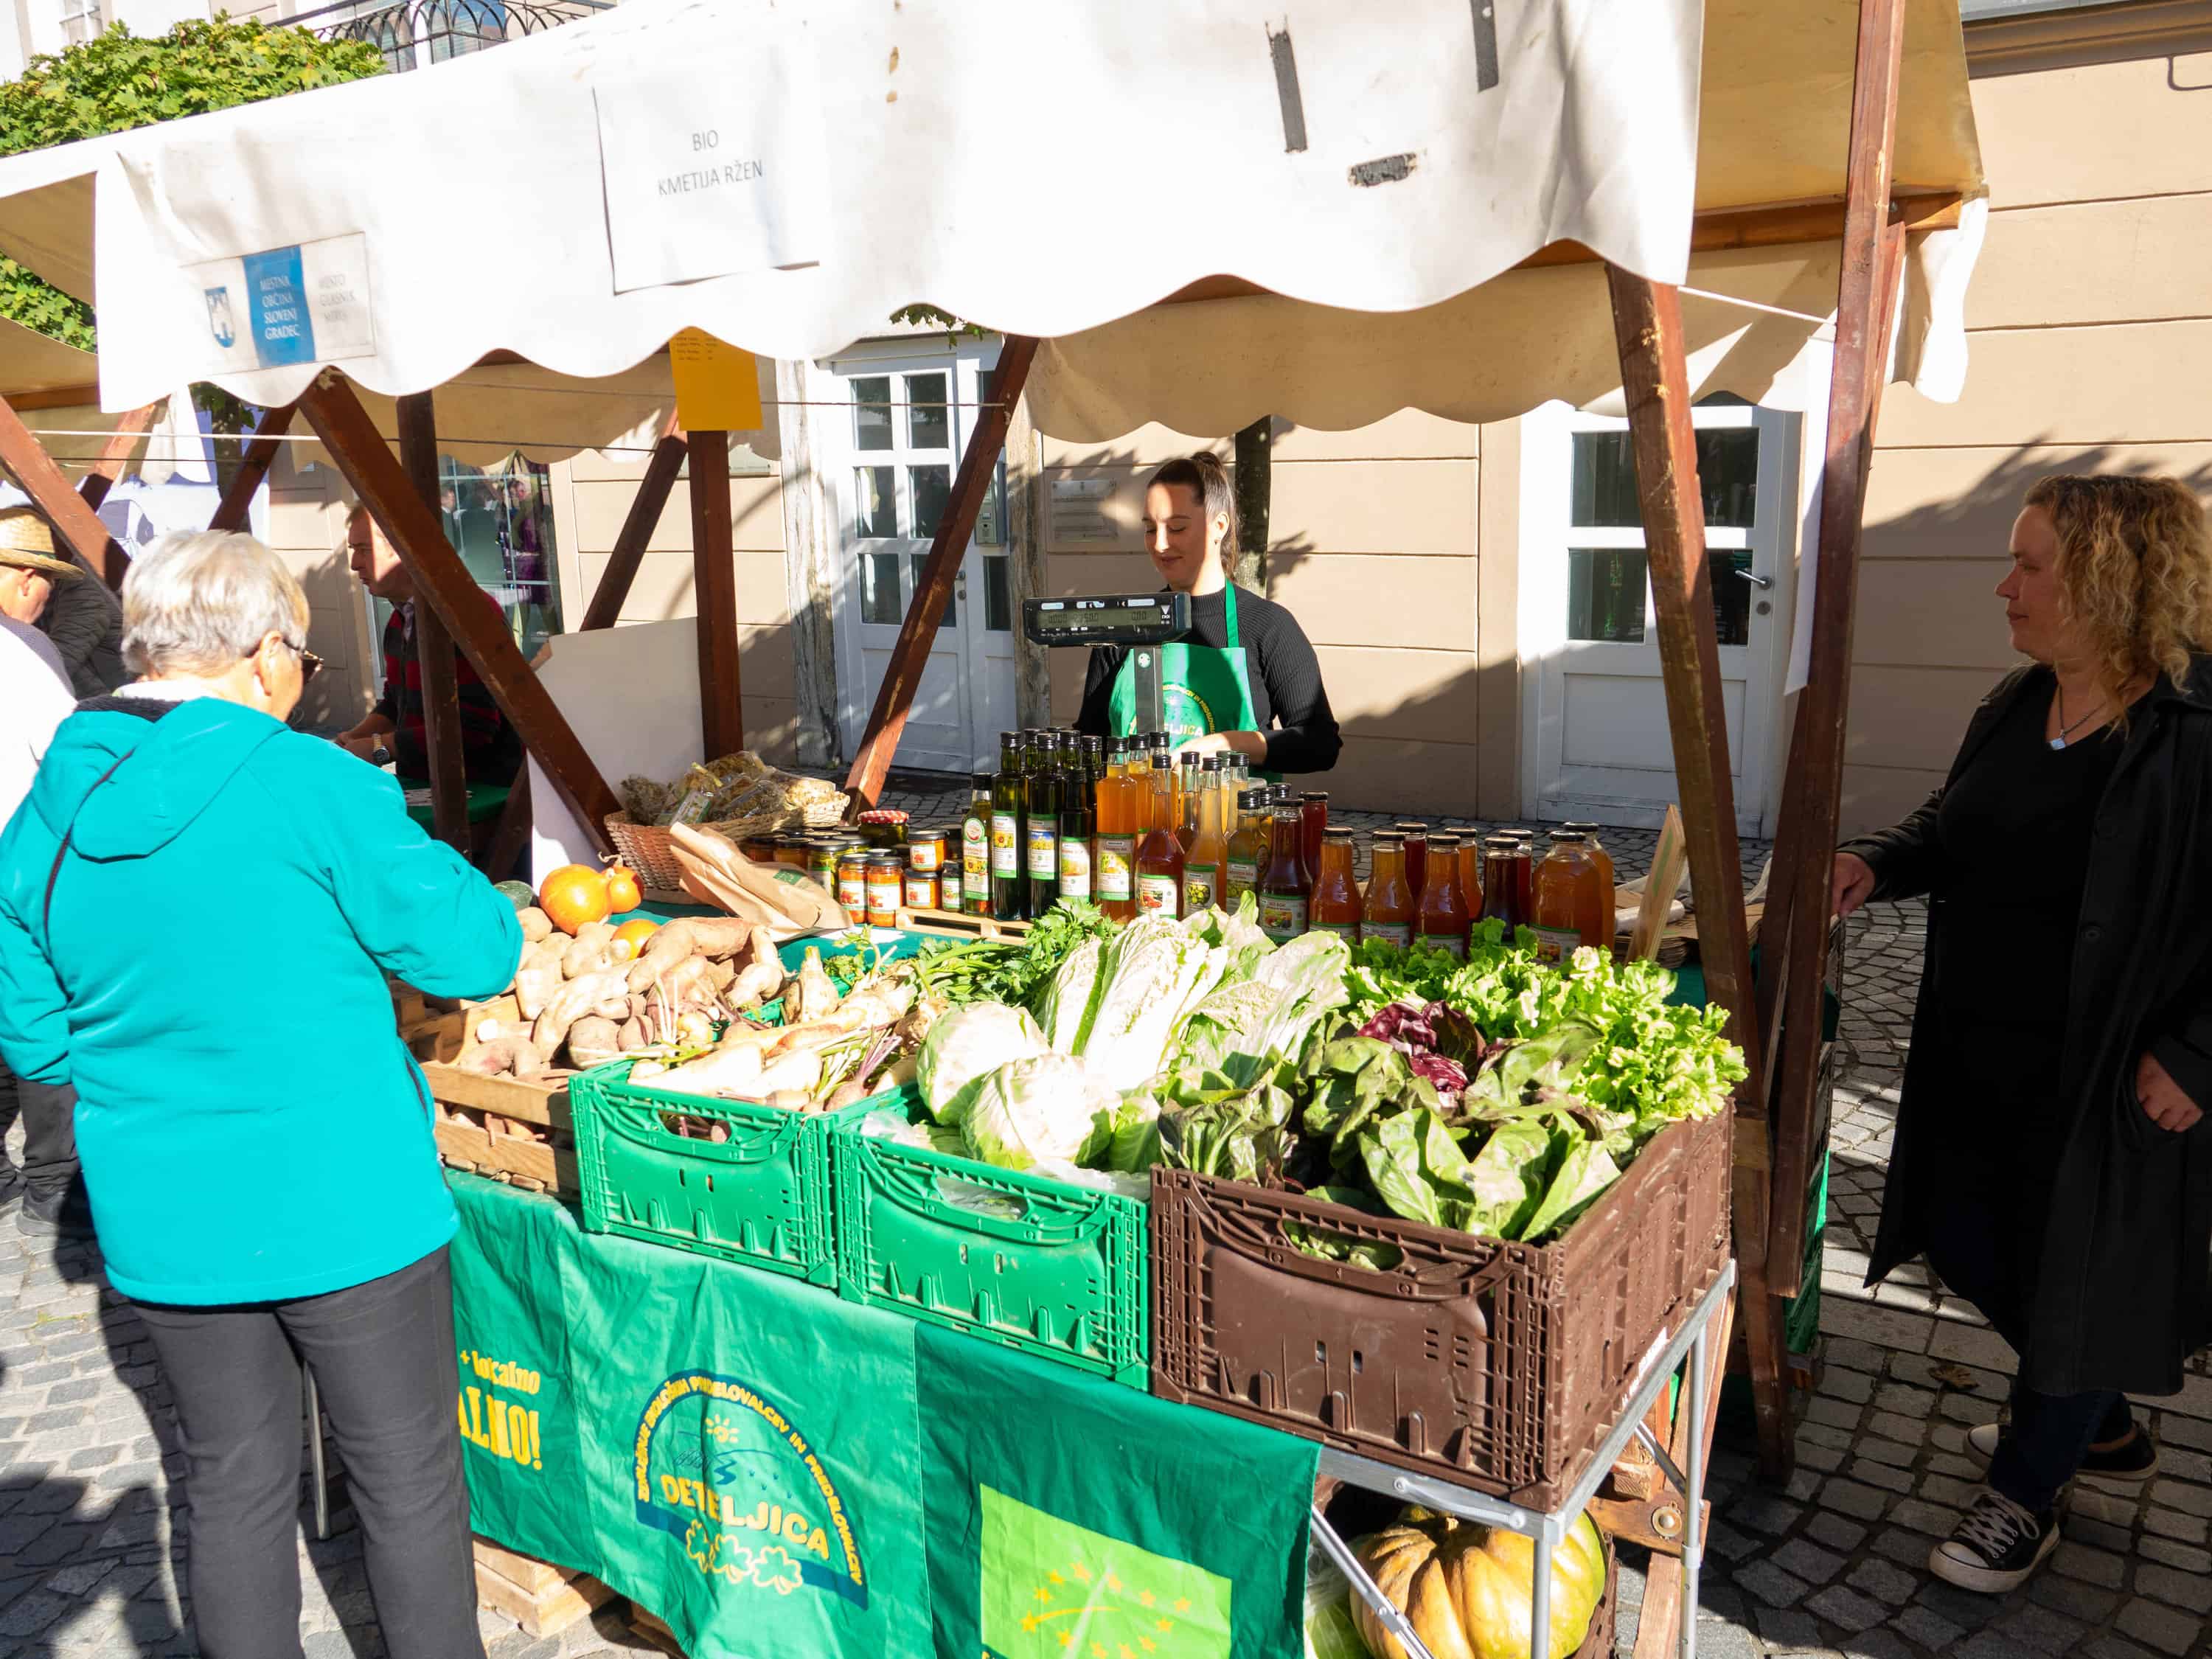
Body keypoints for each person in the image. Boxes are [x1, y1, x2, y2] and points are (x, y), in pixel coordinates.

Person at [0, 531, 522, 1658]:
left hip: (166, 1213)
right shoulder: (312, 778)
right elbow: (473, 952)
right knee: (408, 1476)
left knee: (230, 1483)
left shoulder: (50, 804)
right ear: (264, 654)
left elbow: (37, 1043)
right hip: (349, 1200)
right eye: (301, 657)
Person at [1832, 474, 2212, 1596]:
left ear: (2111, 577)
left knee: (2075, 1275)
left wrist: (2200, 1054)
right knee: (1984, 1239)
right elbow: (1955, 827)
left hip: (2116, 1069)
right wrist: (1879, 862)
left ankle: (2027, 1491)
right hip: (1984, 1052)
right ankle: (2094, 1422)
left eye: (2031, 564)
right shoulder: (2017, 700)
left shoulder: (2196, 728)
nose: (2006, 586)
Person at [1075, 452, 1341, 771]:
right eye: (1150, 529)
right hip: (1139, 820)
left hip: (1235, 820)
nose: (1159, 544)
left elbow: (1321, 743)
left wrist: (1229, 743)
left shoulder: (1268, 626)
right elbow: (1090, 742)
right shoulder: (1125, 626)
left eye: (1176, 528)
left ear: (1219, 526)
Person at [0, 508, 91, 1236]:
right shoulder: (22, 650)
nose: (47, 600)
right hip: (19, 860)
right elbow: (69, 761)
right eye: (44, 585)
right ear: (23, 578)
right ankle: (54, 1184)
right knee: (36, 1015)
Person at [335, 502, 522, 783]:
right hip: (429, 784)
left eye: (364, 549)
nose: (354, 563)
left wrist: (379, 748)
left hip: (483, 793)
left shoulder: (466, 616)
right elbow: (398, 703)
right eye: (354, 551)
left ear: (403, 548)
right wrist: (352, 740)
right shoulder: (399, 621)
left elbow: (474, 727)